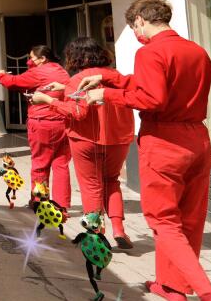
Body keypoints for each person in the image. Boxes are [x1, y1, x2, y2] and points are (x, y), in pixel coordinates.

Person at [79, 0, 211, 301]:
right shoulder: (197, 51)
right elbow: (153, 87)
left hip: (165, 141)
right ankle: (172, 286)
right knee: (190, 218)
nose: (136, 33)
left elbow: (151, 98)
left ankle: (210, 297)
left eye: (134, 27)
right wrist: (108, 78)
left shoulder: (150, 52)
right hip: (197, 139)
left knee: (163, 220)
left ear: (141, 20)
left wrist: (104, 95)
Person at [29, 37, 134, 248]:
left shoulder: (79, 80)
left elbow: (77, 112)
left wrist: (48, 100)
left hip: (86, 139)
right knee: (112, 181)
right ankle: (118, 229)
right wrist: (65, 85)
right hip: (118, 139)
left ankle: (96, 234)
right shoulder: (116, 76)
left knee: (91, 186)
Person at [0, 45, 71, 212]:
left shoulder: (39, 72)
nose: (30, 61)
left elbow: (14, 82)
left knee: (40, 164)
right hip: (63, 122)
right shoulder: (61, 70)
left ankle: (39, 201)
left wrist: (1, 75)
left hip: (42, 122)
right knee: (61, 165)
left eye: (32, 58)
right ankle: (61, 205)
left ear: (42, 59)